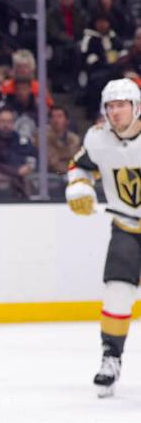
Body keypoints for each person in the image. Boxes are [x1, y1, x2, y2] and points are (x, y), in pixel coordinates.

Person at [65, 79, 141, 398]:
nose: (115, 111)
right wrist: (78, 188)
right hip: (125, 225)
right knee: (117, 294)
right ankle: (111, 358)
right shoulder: (97, 139)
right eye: (110, 106)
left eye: (122, 104)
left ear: (136, 107)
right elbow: (78, 167)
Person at [46, 105, 80, 175]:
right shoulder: (44, 138)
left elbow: (75, 159)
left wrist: (59, 153)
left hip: (73, 174)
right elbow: (52, 162)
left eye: (59, 116)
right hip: (52, 174)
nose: (56, 120)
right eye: (53, 117)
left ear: (67, 120)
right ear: (49, 120)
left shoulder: (74, 138)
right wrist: (67, 154)